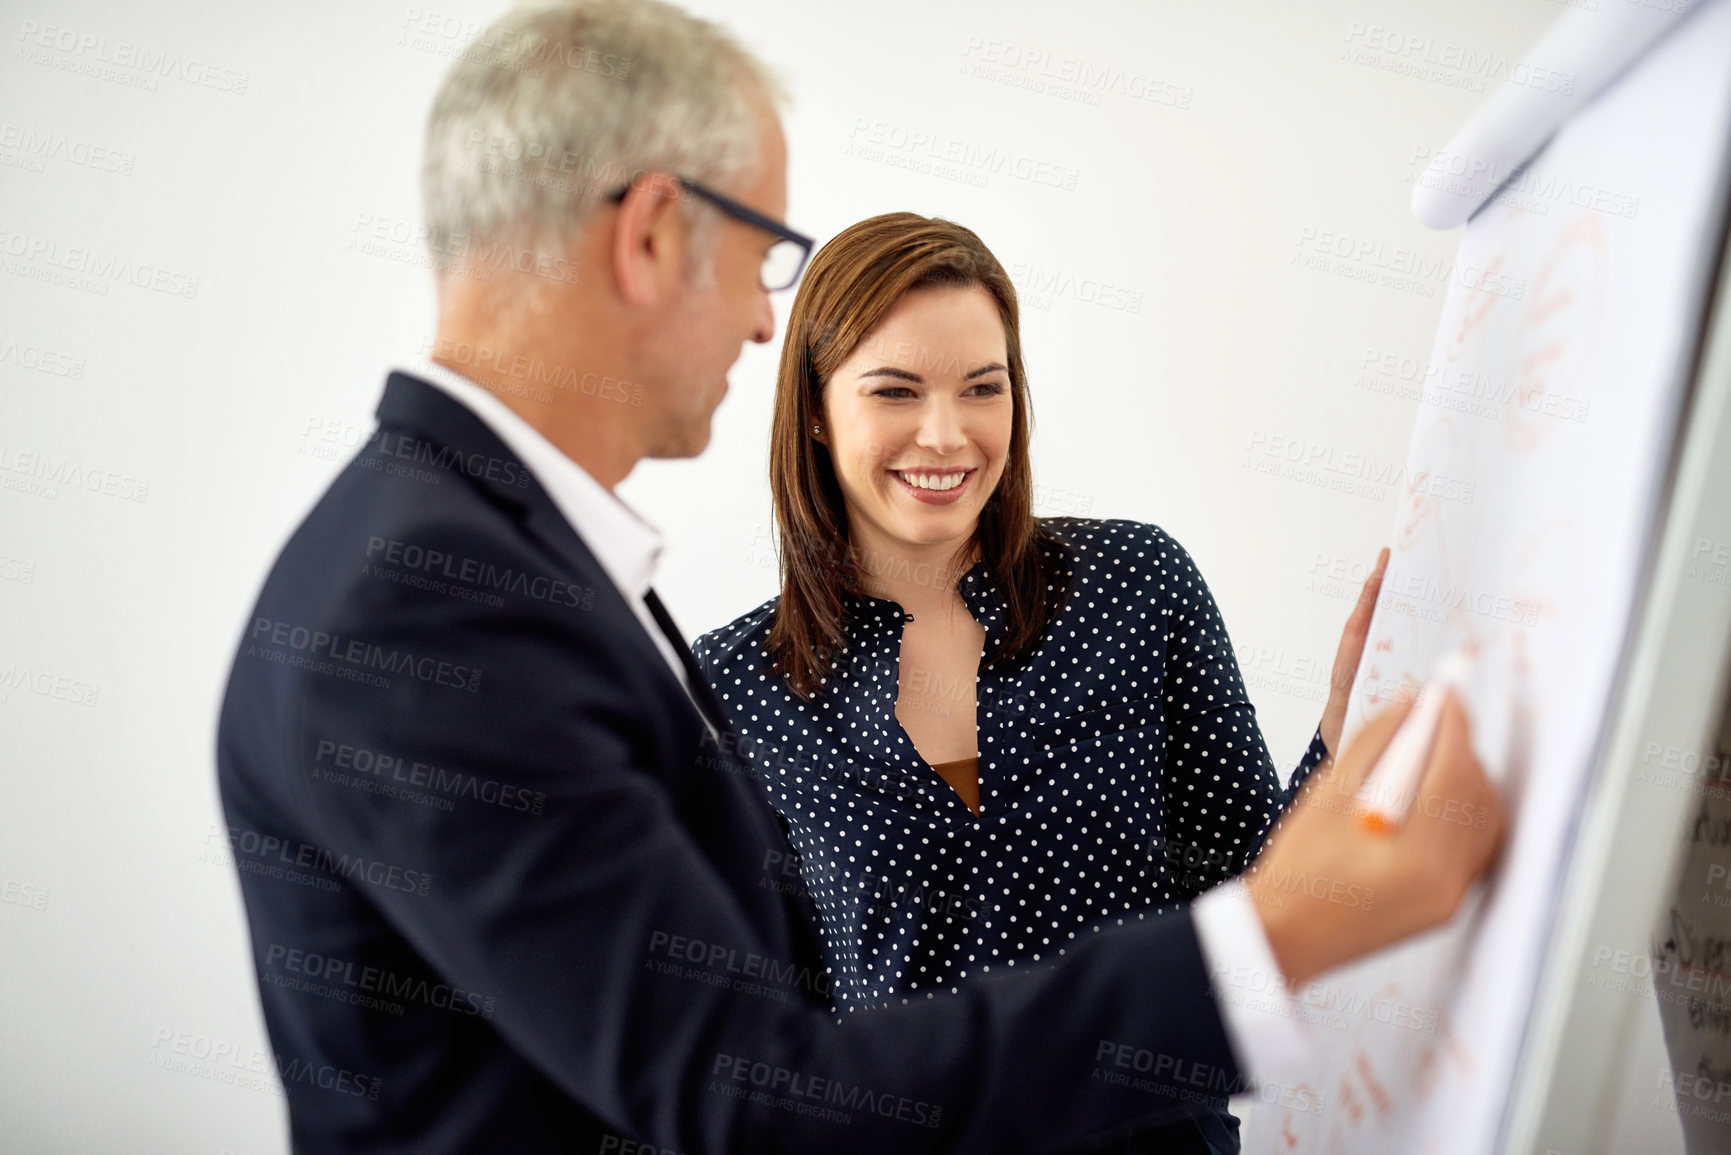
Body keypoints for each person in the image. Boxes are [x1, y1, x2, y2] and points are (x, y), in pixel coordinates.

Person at [215, 2, 1505, 1152]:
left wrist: (1338, 758)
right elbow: (741, 1096)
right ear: (657, 234)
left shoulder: (487, 566)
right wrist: (1265, 950)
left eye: (982, 386)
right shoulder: (438, 608)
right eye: (763, 250)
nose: (765, 317)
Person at [692, 212, 1390, 1151]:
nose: (945, 435)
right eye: (895, 391)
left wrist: (1339, 748)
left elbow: (1257, 914)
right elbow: (750, 1054)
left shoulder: (1135, 585)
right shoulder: (727, 689)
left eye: (983, 388)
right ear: (816, 410)